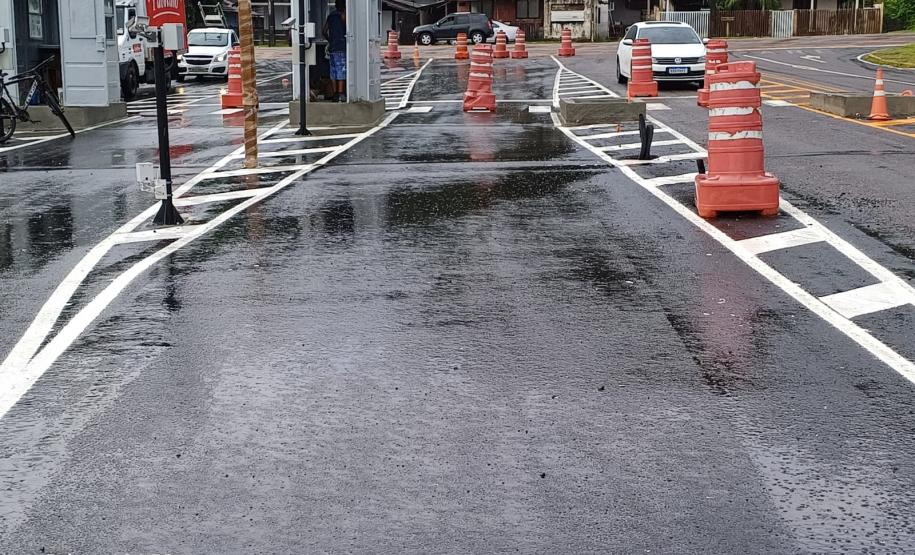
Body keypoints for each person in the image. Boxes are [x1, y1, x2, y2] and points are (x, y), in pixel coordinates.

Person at [323, 0, 347, 102]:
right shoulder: (343, 16)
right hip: (341, 46)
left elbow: (324, 31)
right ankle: (341, 93)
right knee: (341, 69)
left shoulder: (331, 16)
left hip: (332, 47)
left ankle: (334, 94)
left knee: (333, 71)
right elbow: (348, 28)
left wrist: (330, 40)